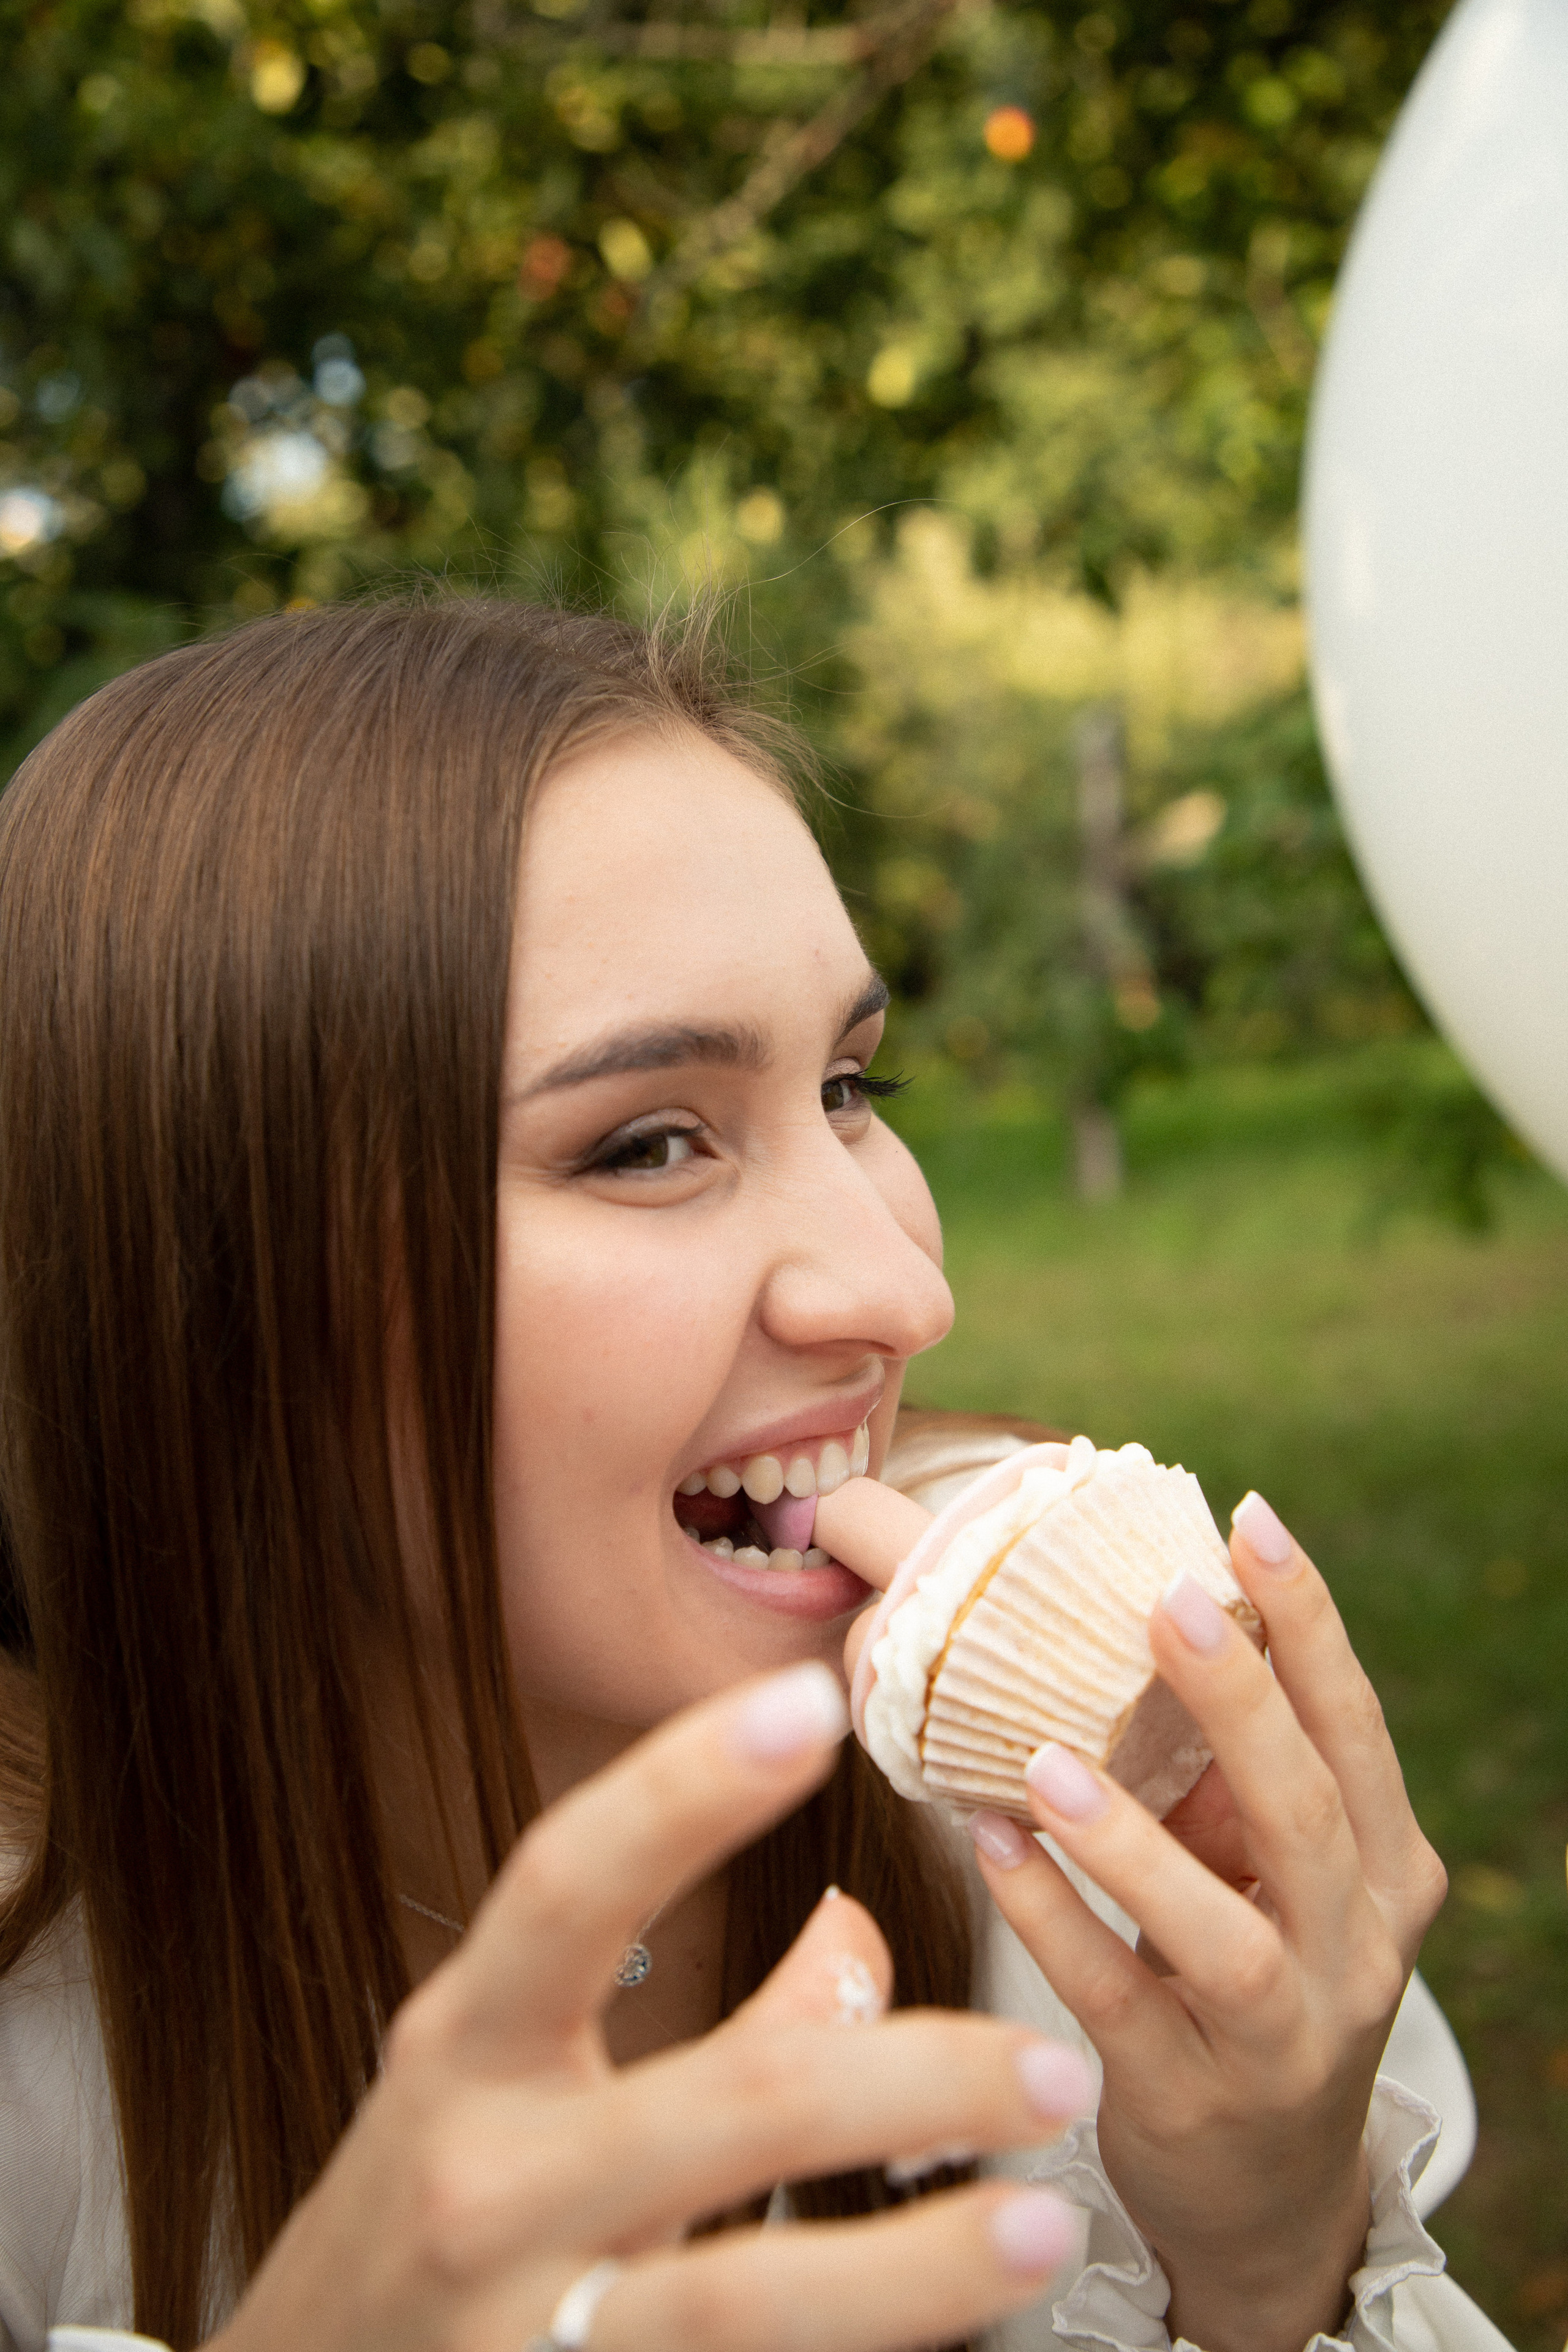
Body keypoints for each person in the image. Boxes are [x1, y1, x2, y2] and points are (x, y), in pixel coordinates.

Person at [0, 598, 1503, 2352]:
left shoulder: (1084, 1912)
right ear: (196, 1293)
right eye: (647, 1143)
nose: (902, 1291)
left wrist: (1264, 2247)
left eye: (855, 1085)